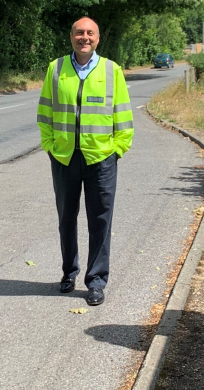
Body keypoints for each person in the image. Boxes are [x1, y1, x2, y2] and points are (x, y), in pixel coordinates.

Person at [36, 17, 134, 306]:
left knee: (100, 220)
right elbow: (45, 113)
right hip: (65, 157)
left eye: (90, 33)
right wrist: (50, 146)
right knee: (66, 218)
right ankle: (69, 273)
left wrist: (117, 149)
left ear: (98, 38)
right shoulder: (56, 69)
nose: (84, 37)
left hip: (101, 158)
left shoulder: (111, 70)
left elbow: (123, 115)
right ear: (71, 37)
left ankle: (96, 281)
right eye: (79, 32)